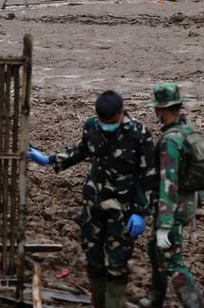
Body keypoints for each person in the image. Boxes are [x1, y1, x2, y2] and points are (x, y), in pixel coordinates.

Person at [28, 91, 155, 308]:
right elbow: (81, 151)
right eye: (102, 122)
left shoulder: (139, 134)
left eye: (110, 122)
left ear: (120, 113)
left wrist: (141, 212)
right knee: (94, 263)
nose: (106, 126)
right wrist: (49, 160)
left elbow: (149, 176)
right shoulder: (92, 126)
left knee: (116, 265)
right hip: (93, 208)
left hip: (122, 211)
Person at [145, 83, 204, 308]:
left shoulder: (170, 141)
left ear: (160, 110)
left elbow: (168, 182)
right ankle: (156, 300)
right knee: (155, 250)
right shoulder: (188, 131)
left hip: (172, 208)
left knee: (172, 261)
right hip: (186, 203)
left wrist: (164, 224)